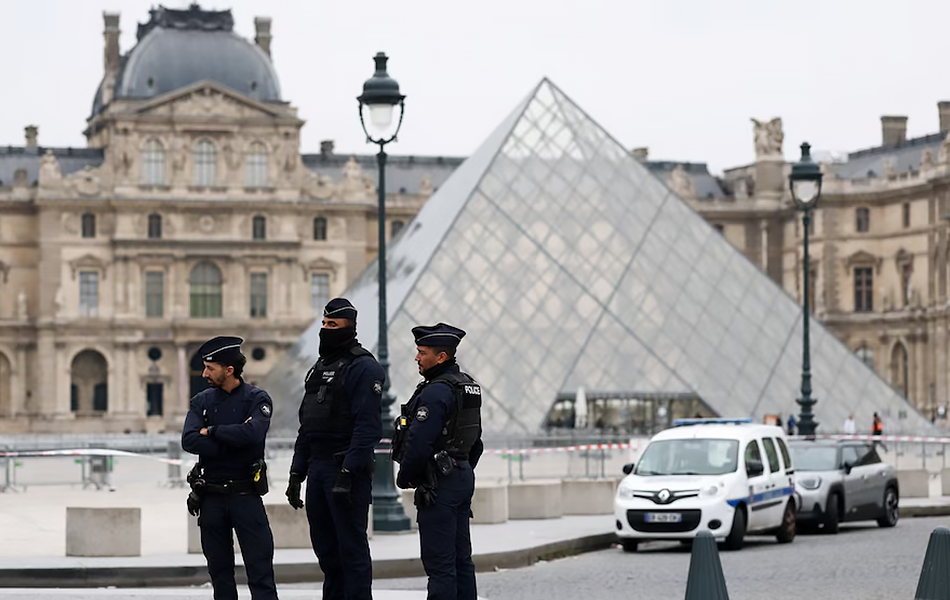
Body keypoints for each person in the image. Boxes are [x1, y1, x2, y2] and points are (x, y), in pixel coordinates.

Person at [286, 298, 383, 600]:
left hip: (345, 471)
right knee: (327, 553)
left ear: (349, 329)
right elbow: (308, 426)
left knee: (352, 552)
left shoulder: (364, 367)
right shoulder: (318, 369)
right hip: (318, 469)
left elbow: (368, 428)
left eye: (333, 326)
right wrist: (296, 472)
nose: (326, 330)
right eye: (324, 324)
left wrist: (348, 471)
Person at [181, 336, 278, 600]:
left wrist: (210, 432)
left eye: (210, 368)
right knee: (219, 575)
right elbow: (189, 440)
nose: (204, 374)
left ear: (229, 369)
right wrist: (235, 438)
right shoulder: (201, 401)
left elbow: (253, 435)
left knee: (261, 575)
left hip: (246, 496)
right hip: (211, 497)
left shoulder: (257, 398)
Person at [393, 323, 484, 600]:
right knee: (461, 560)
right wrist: (460, 466)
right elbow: (476, 441)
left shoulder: (435, 392)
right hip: (461, 475)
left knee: (440, 565)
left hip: (439, 483)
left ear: (441, 357)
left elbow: (419, 443)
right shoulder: (468, 386)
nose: (417, 358)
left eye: (422, 352)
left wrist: (405, 477)